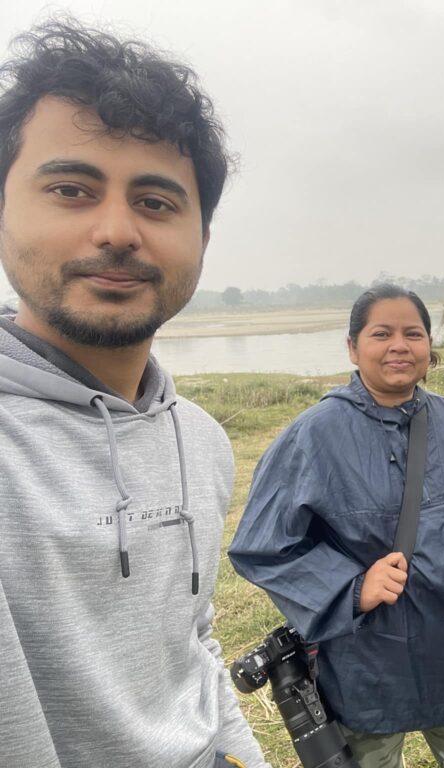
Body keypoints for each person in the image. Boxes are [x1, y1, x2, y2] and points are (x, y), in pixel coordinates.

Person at [0, 18, 268, 768]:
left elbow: (190, 639)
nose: (116, 230)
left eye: (155, 202)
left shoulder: (203, 440)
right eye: (71, 190)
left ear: (202, 241)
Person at [229, 284, 444, 768]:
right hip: (364, 662)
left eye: (413, 333)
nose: (399, 345)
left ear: (430, 347)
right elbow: (262, 546)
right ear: (353, 346)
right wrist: (350, 589)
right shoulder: (313, 435)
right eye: (381, 333)